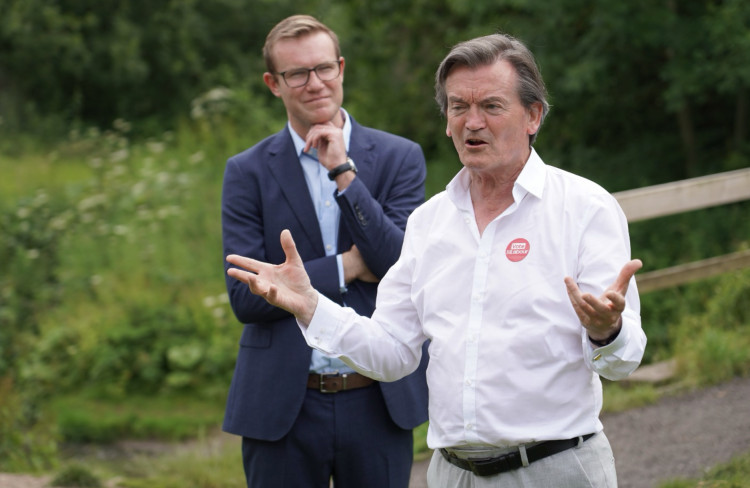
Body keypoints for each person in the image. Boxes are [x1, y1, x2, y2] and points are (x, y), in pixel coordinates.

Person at [227, 32, 647, 488]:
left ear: (533, 115)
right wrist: (310, 304)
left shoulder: (585, 207)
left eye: (491, 106)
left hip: (556, 469)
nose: (472, 123)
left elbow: (623, 361)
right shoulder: (430, 224)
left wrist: (606, 330)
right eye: (458, 107)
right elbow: (392, 351)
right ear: (446, 121)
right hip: (453, 474)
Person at [220, 14, 429, 488]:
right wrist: (348, 265)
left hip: (377, 399)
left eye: (323, 69)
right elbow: (249, 298)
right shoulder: (247, 171)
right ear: (274, 83)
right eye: (297, 73)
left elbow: (400, 268)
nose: (314, 84)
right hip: (283, 405)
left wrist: (343, 172)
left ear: (341, 68)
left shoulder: (400, 157)